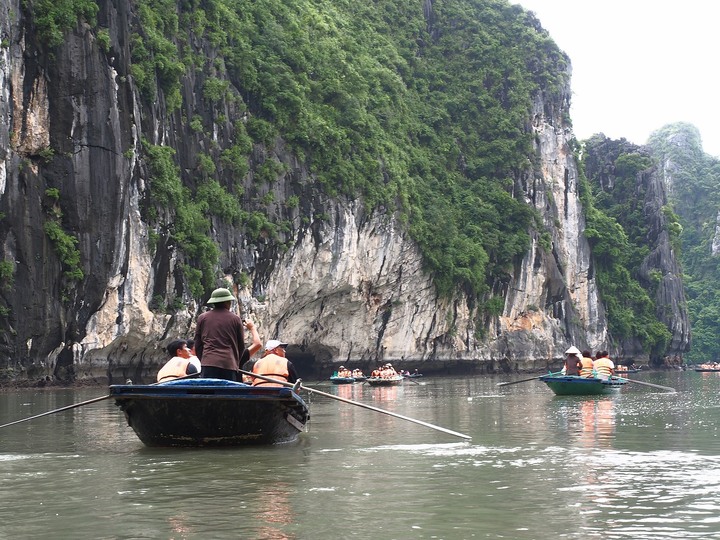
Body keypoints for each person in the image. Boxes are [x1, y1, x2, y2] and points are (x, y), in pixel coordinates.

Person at [193, 287, 246, 381]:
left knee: (209, 393)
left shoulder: (202, 318)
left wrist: (204, 360)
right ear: (227, 302)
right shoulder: (235, 319)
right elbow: (241, 345)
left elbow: (198, 344)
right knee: (227, 393)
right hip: (228, 363)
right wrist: (235, 363)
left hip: (208, 362)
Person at [239, 319, 263, 383]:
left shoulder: (210, 353)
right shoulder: (237, 355)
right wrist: (252, 328)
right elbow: (258, 344)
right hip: (234, 389)